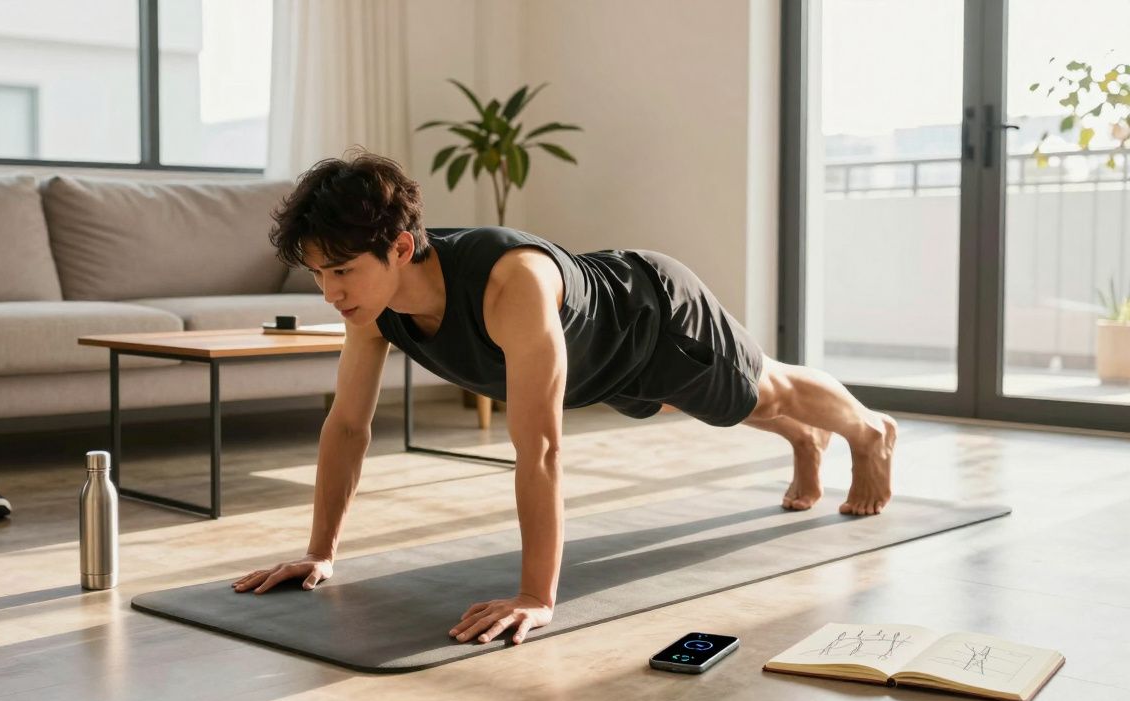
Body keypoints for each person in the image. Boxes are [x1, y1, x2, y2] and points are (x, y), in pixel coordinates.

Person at [232, 151, 898, 647]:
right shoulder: (370, 309)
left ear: (401, 247)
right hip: (596, 369)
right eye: (319, 274)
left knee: (762, 389)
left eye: (342, 271)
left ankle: (868, 433)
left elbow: (541, 449)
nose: (330, 292)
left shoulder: (509, 284)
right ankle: (804, 440)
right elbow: (347, 426)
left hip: (653, 318)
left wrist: (535, 595)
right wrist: (321, 550)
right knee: (726, 408)